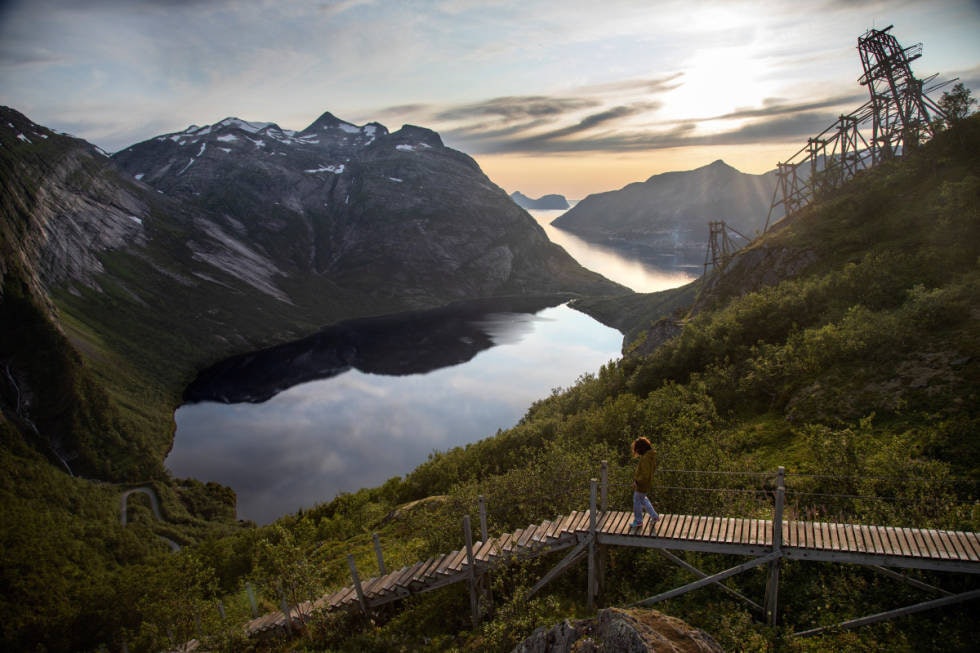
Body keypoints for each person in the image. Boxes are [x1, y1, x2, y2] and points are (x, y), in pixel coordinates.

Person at [630, 436, 659, 535]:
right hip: (646, 483)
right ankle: (654, 516)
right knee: (643, 499)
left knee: (637, 500)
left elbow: (645, 474)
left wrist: (637, 482)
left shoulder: (645, 458)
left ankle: (638, 520)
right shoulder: (650, 456)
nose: (637, 452)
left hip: (642, 483)